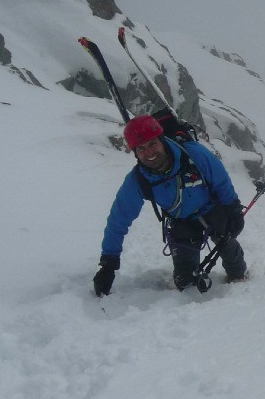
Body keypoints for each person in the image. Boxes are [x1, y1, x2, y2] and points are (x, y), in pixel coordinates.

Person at [92, 114, 247, 297]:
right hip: (182, 222)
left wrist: (233, 209)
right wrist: (108, 262)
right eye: (141, 148)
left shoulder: (194, 154)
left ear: (162, 140)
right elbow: (118, 220)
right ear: (134, 153)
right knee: (185, 281)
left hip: (213, 210)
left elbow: (221, 181)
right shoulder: (138, 181)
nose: (149, 153)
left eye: (152, 144)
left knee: (228, 245)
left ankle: (240, 277)